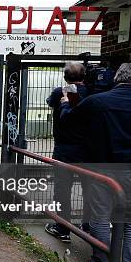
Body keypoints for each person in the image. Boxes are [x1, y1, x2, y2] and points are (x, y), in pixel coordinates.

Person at [60, 63, 131, 262]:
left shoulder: (97, 102)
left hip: (100, 168)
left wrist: (65, 106)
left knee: (100, 216)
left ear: (116, 78)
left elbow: (70, 121)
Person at [44, 62, 90, 242]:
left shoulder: (60, 92)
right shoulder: (92, 94)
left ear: (65, 77)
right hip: (88, 151)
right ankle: (88, 227)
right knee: (89, 191)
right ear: (84, 76)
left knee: (62, 191)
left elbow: (49, 103)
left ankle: (62, 228)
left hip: (64, 149)